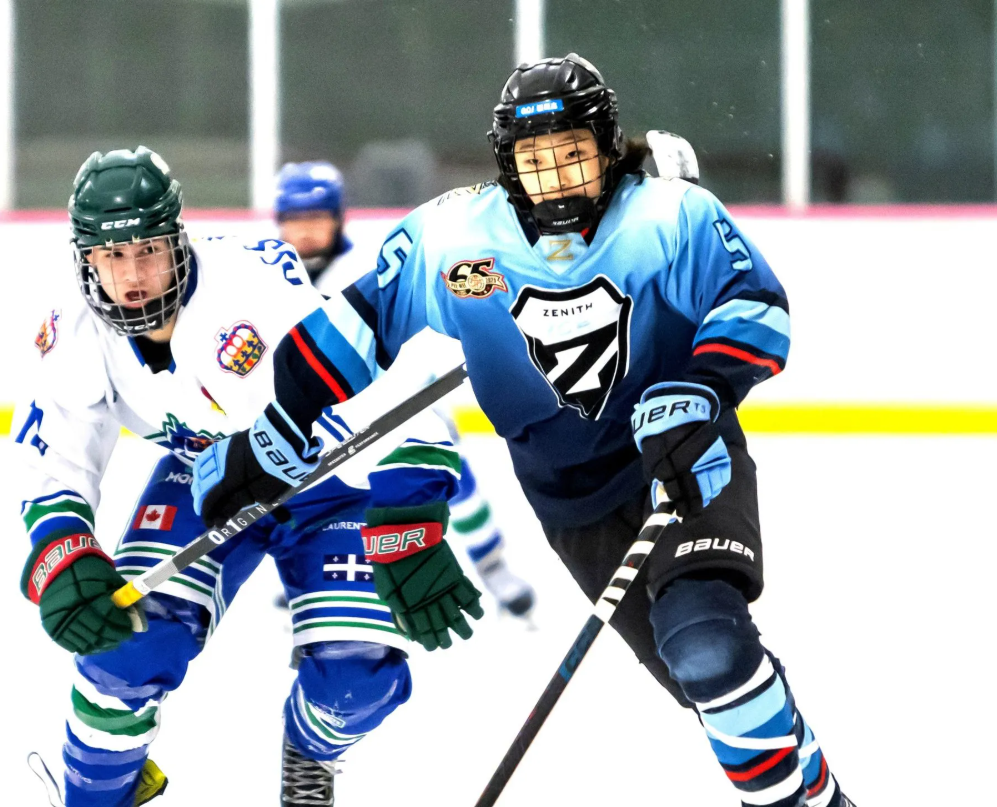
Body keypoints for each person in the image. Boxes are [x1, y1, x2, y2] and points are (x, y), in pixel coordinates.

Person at [191, 54, 854, 807]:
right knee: (706, 687)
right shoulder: (456, 240)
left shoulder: (669, 215)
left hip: (685, 458)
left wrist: (701, 387)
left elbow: (756, 306)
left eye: (572, 154)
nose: (557, 178)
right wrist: (279, 425)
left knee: (709, 648)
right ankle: (815, 783)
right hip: (573, 505)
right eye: (536, 162)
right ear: (509, 167)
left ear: (606, 147)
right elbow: (354, 326)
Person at [13, 146, 470, 807]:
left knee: (354, 681)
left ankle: (309, 752)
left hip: (330, 485)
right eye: (111, 257)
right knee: (125, 649)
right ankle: (94, 793)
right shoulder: (74, 325)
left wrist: (411, 518)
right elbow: (54, 450)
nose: (133, 275)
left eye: (148, 250)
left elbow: (388, 384)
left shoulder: (255, 287)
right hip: (206, 478)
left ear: (177, 239)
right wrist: (62, 549)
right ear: (85, 258)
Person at [274, 160, 536, 617]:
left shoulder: (369, 266)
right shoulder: (271, 277)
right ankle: (307, 567)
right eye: (295, 220)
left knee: (456, 484)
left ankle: (493, 568)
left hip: (402, 404)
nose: (306, 231)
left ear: (338, 217)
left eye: (316, 218)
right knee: (310, 494)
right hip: (323, 414)